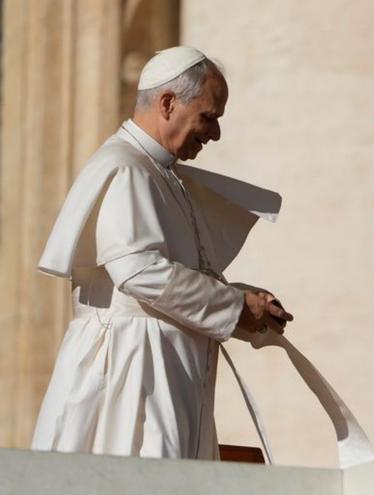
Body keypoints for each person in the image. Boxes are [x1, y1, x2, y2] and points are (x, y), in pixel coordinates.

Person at [30, 46, 292, 460]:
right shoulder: (126, 167)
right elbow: (139, 273)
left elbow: (173, 275)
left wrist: (246, 303)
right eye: (209, 117)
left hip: (164, 369)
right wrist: (233, 304)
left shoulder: (163, 175)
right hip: (133, 373)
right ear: (169, 103)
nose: (215, 134)